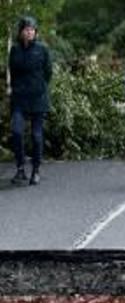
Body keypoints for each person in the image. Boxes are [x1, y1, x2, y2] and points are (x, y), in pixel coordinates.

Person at [8, 16, 52, 186]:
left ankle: (36, 170)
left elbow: (48, 73)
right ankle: (20, 169)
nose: (29, 32)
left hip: (38, 98)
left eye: (32, 29)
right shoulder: (15, 50)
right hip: (19, 98)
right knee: (17, 132)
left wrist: (39, 87)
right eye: (26, 29)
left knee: (36, 135)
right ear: (21, 32)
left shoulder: (42, 50)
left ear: (36, 32)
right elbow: (12, 72)